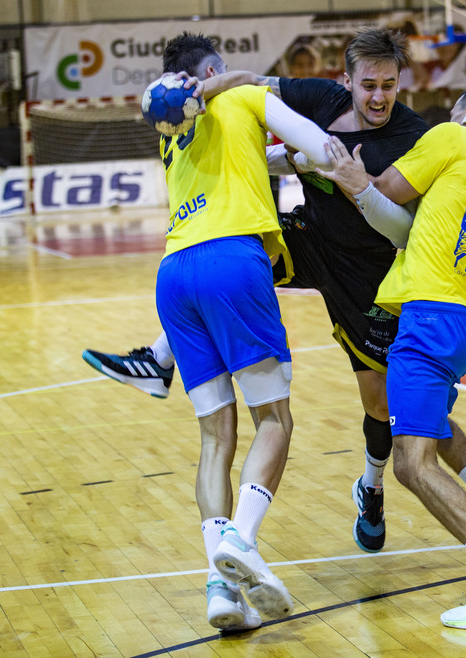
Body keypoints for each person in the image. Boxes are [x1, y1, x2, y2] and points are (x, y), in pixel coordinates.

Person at [82, 29, 466, 559]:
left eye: (389, 85)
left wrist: (346, 178)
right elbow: (249, 85)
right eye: (369, 85)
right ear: (347, 80)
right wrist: (204, 99)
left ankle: (377, 487)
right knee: (245, 263)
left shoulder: (416, 135)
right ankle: (158, 357)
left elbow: (406, 230)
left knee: (385, 404)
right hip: (313, 240)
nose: (379, 96)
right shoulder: (321, 99)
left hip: (372, 275)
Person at [321, 81, 466, 630]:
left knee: (409, 463)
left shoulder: (451, 137)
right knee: (434, 427)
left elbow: (387, 188)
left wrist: (348, 176)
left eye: (453, 110)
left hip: (430, 316)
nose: (447, 116)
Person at [146, 32, 337, 633]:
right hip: (234, 262)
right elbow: (320, 149)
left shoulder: (170, 133)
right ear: (209, 70)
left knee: (214, 440)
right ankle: (244, 542)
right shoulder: (249, 98)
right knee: (275, 421)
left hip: (174, 276)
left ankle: (220, 591)